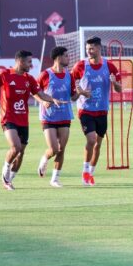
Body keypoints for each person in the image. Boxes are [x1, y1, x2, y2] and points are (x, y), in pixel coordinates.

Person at [0, 50, 65, 190]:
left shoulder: (29, 79)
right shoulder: (4, 74)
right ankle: (5, 171)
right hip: (8, 118)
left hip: (23, 120)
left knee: (21, 153)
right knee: (15, 147)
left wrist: (53, 99)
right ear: (20, 62)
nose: (31, 65)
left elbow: (40, 94)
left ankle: (10, 179)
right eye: (29, 62)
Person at [71, 36, 122, 186]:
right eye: (87, 49)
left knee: (98, 145)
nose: (89, 51)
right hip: (86, 110)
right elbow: (72, 87)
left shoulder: (110, 66)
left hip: (102, 110)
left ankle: (90, 173)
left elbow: (119, 89)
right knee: (91, 140)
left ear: (99, 48)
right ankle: (85, 170)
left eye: (92, 48)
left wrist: (114, 83)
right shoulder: (80, 66)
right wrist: (79, 91)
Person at [37, 46, 89, 188]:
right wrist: (43, 101)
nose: (68, 58)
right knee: (53, 149)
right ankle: (45, 158)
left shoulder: (69, 75)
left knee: (61, 148)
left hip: (65, 116)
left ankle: (55, 179)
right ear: (58, 57)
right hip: (48, 116)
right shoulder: (45, 75)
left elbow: (73, 97)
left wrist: (80, 93)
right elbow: (34, 92)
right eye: (66, 55)